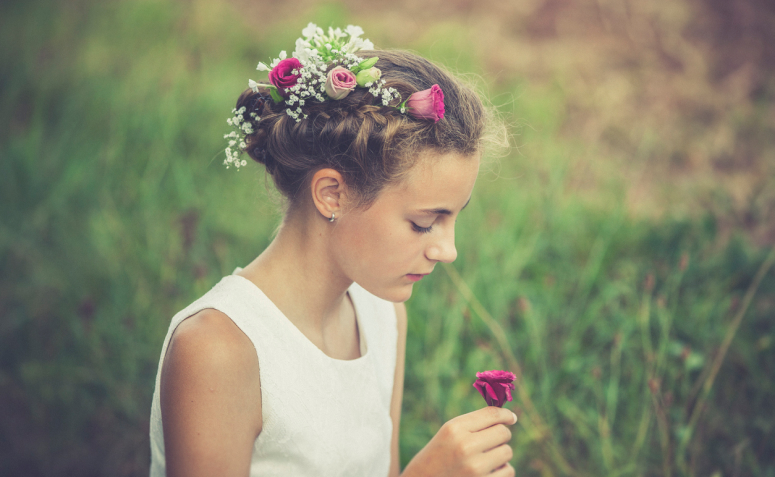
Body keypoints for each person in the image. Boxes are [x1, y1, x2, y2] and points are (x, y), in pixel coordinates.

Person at [149, 24, 516, 477]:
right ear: (332, 195)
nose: (448, 250)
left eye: (454, 217)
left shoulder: (381, 315)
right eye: (424, 223)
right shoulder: (219, 350)